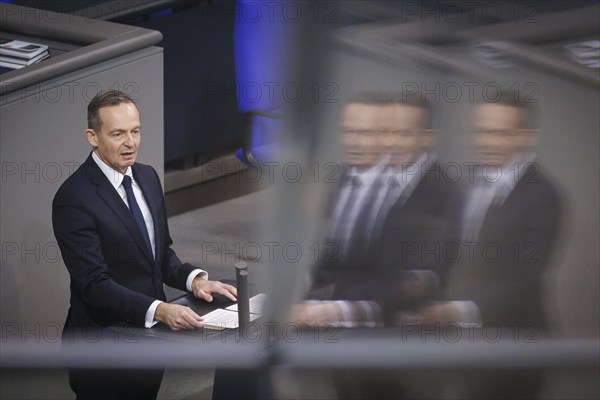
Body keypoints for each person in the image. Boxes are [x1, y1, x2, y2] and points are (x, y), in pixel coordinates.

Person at [52, 90, 237, 399]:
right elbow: (94, 284)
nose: (131, 143)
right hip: (103, 345)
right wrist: (160, 310)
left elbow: (160, 254)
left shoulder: (148, 177)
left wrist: (196, 281)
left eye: (135, 131)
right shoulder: (74, 199)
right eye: (118, 134)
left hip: (149, 340)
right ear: (92, 137)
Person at [293, 91, 463, 328]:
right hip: (342, 316)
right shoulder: (364, 180)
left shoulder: (443, 195)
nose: (390, 144)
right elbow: (339, 255)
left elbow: (417, 283)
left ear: (427, 137)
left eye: (402, 134)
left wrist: (334, 311)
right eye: (386, 133)